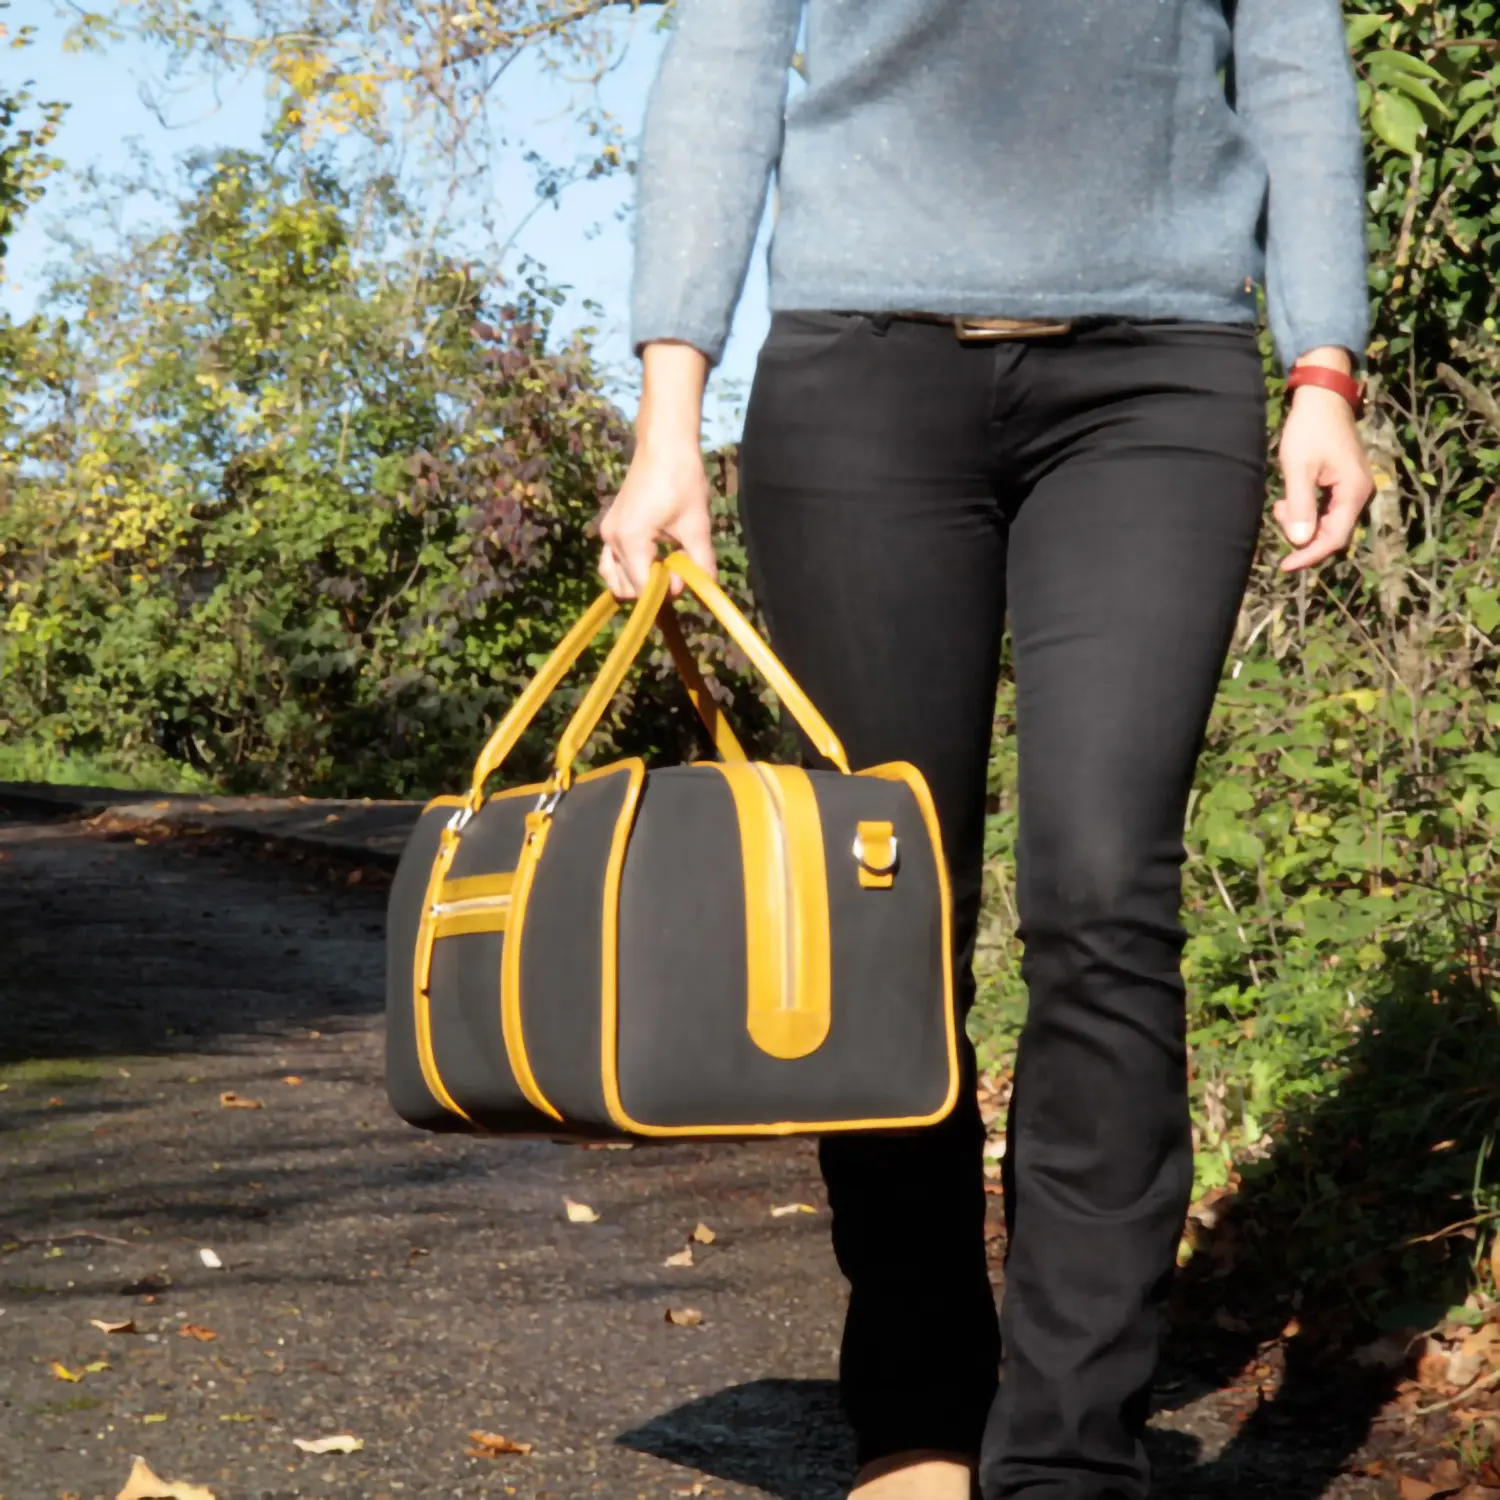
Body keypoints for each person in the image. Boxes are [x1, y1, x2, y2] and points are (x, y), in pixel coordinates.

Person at [601, 2, 1373, 1496]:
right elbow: (722, 70)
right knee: (882, 911)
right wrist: (667, 417)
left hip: (1159, 380)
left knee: (1105, 892)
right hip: (860, 381)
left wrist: (1323, 369)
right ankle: (918, 1411)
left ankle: (1072, 1448)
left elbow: (1293, 59)